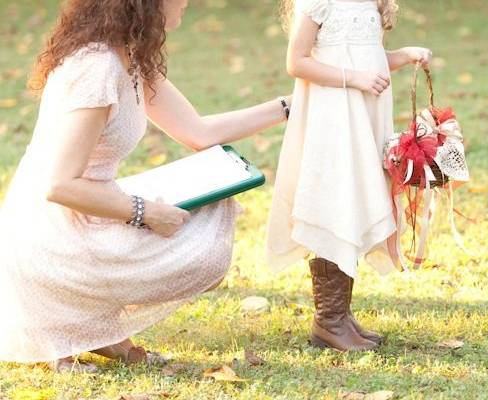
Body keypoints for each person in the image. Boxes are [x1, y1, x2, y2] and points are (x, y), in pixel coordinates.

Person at [0, 0, 291, 372]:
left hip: (94, 210)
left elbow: (199, 132)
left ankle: (93, 328)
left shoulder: (129, 57)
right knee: (196, 240)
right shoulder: (97, 67)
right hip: (50, 237)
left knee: (213, 208)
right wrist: (147, 213)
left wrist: (287, 106)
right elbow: (59, 185)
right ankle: (64, 319)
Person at [267, 0, 432, 351]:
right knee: (335, 199)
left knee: (354, 198)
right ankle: (328, 321)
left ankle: (339, 315)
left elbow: (366, 60)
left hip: (363, 115)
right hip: (334, 116)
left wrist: (402, 55)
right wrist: (354, 79)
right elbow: (297, 62)